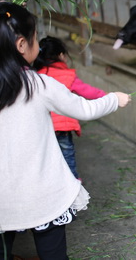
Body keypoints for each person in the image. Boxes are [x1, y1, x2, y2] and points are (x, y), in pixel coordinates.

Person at [0, 1, 131, 259]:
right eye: (35, 37)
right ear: (21, 45)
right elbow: (84, 109)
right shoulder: (39, 84)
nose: (38, 44)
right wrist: (114, 99)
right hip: (44, 196)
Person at [33, 36, 106, 180]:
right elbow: (87, 91)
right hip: (63, 128)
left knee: (48, 159)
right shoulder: (67, 75)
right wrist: (107, 96)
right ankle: (73, 186)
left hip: (44, 128)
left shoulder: (36, 76)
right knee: (67, 158)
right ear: (61, 56)